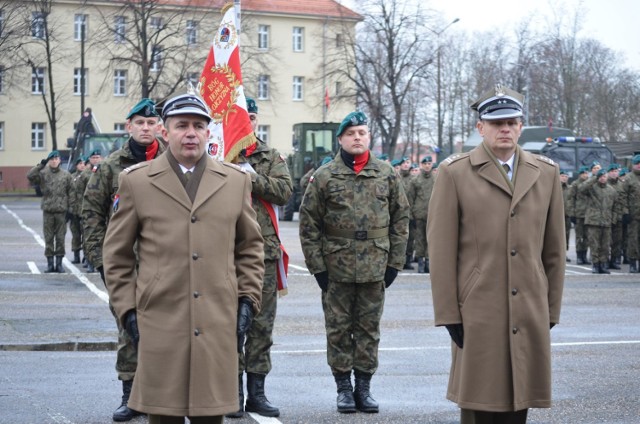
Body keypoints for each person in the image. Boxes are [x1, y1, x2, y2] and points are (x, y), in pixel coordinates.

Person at [103, 92, 264, 424]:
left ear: (208, 132)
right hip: (160, 321)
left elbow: (250, 248)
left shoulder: (235, 181)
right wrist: (128, 309)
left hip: (218, 321)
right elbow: (116, 255)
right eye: (182, 125)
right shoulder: (136, 181)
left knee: (211, 417)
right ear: (165, 131)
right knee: (163, 416)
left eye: (198, 126)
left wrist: (247, 299)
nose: (191, 133)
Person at [427, 85, 565, 424]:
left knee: (521, 399)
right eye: (496, 123)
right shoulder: (455, 172)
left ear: (520, 126)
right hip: (477, 307)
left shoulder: (545, 173)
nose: (505, 129)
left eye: (512, 122)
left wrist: (550, 309)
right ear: (480, 128)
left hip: (530, 304)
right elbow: (441, 249)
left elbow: (554, 249)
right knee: (478, 404)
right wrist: (448, 314)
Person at [299, 111, 409, 414]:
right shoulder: (324, 176)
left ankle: (364, 388)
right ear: (340, 139)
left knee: (369, 330)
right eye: (351, 134)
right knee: (337, 330)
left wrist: (395, 263)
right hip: (336, 268)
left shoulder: (387, 173)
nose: (357, 137)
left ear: (368, 137)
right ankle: (344, 389)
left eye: (362, 132)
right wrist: (318, 268)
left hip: (375, 265)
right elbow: (309, 226)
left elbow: (401, 219)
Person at [82, 98, 166, 422]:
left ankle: (162, 394)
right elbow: (91, 212)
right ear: (129, 126)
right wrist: (100, 261)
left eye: (151, 123)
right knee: (128, 328)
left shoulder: (171, 161)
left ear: (159, 127)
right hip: (125, 265)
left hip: (163, 261)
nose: (146, 128)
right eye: (139, 123)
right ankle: (130, 395)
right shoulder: (111, 166)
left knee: (167, 328)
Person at [226, 97, 293, 419]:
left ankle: (257, 392)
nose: (246, 123)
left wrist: (249, 177)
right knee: (228, 326)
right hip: (223, 252)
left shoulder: (269, 155)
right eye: (240, 117)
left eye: (250, 117)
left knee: (260, 326)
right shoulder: (217, 153)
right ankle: (231, 393)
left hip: (263, 255)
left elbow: (284, 191)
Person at [27, 150, 73, 273]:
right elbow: (30, 176)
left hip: (61, 211)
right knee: (48, 238)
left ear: (59, 161)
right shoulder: (43, 173)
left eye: (56, 159)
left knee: (60, 238)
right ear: (49, 161)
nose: (54, 161)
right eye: (52, 159)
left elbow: (71, 193)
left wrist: (71, 210)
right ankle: (50, 264)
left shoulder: (66, 175)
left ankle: (59, 264)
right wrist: (40, 165)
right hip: (48, 210)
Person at [583, 168, 617, 274]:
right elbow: (582, 189)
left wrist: (613, 219)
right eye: (601, 177)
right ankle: (595, 265)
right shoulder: (592, 187)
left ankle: (603, 264)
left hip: (606, 221)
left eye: (604, 176)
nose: (603, 178)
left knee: (605, 245)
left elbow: (615, 206)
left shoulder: (611, 190)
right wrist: (594, 178)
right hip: (594, 220)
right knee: (594, 244)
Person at [407, 155, 435, 273]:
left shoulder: (437, 179)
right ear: (421, 165)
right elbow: (410, 198)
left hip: (433, 214)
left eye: (429, 164)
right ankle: (420, 263)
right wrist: (411, 215)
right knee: (419, 239)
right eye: (425, 164)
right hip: (418, 214)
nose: (427, 166)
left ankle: (429, 262)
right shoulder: (416, 180)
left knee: (431, 239)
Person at [76, 149, 103, 272]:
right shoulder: (85, 174)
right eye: (93, 158)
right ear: (90, 160)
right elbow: (79, 193)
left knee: (102, 237)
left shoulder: (105, 171)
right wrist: (80, 210)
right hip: (89, 211)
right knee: (89, 237)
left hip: (102, 210)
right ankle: (90, 261)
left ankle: (101, 262)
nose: (96, 160)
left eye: (98, 157)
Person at [569, 166, 591, 264]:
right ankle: (579, 255)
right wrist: (572, 213)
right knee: (579, 236)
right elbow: (571, 199)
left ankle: (584, 255)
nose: (585, 175)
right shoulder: (575, 184)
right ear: (580, 174)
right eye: (583, 174)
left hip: (588, 214)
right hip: (579, 214)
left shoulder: (590, 184)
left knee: (587, 237)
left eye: (586, 173)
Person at [69, 158, 86, 264]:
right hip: (74, 211)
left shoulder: (89, 175)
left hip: (84, 210)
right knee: (75, 234)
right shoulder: (71, 177)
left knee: (85, 234)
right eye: (80, 163)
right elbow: (69, 193)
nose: (82, 165)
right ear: (76, 165)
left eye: (84, 163)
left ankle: (86, 256)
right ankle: (76, 255)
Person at [399, 156, 415, 269]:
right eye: (404, 163)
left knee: (410, 238)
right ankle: (398, 260)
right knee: (399, 238)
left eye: (407, 162)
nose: (406, 165)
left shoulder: (414, 179)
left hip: (411, 213)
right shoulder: (395, 177)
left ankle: (408, 260)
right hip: (399, 213)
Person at [560, 170, 573, 262]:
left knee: (566, 235)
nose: (564, 178)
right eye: (562, 176)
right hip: (556, 216)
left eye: (566, 176)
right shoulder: (554, 187)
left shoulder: (570, 188)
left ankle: (564, 253)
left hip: (567, 215)